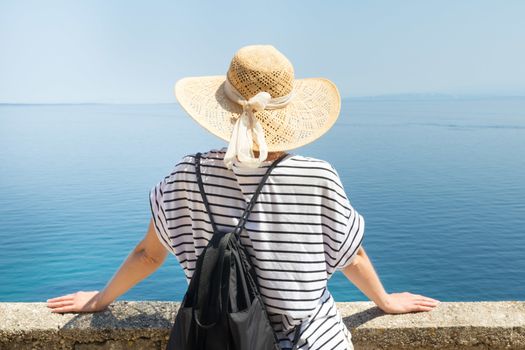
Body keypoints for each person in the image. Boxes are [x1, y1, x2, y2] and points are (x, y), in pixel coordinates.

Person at [47, 45, 440, 349]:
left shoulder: (187, 173)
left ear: (225, 108)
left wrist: (100, 299)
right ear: (289, 114)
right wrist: (385, 300)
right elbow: (350, 255)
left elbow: (148, 254)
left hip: (225, 341)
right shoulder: (317, 176)